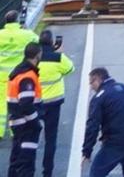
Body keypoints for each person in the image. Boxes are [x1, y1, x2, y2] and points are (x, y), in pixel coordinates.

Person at [37, 30, 75, 177]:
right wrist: (60, 52)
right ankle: (48, 171)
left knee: (32, 138)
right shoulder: (58, 57)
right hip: (53, 103)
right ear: (52, 42)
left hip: (35, 102)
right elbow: (71, 69)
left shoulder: (35, 57)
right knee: (50, 139)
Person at [0, 10, 39, 139]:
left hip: (1, 76)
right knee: (16, 104)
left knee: (1, 105)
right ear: (18, 21)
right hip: (18, 76)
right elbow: (37, 42)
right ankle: (14, 131)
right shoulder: (26, 34)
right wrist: (26, 29)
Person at [7, 42, 42, 177]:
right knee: (26, 163)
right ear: (38, 55)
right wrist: (36, 123)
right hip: (26, 126)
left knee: (16, 161)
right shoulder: (27, 76)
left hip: (18, 124)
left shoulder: (18, 71)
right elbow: (26, 104)